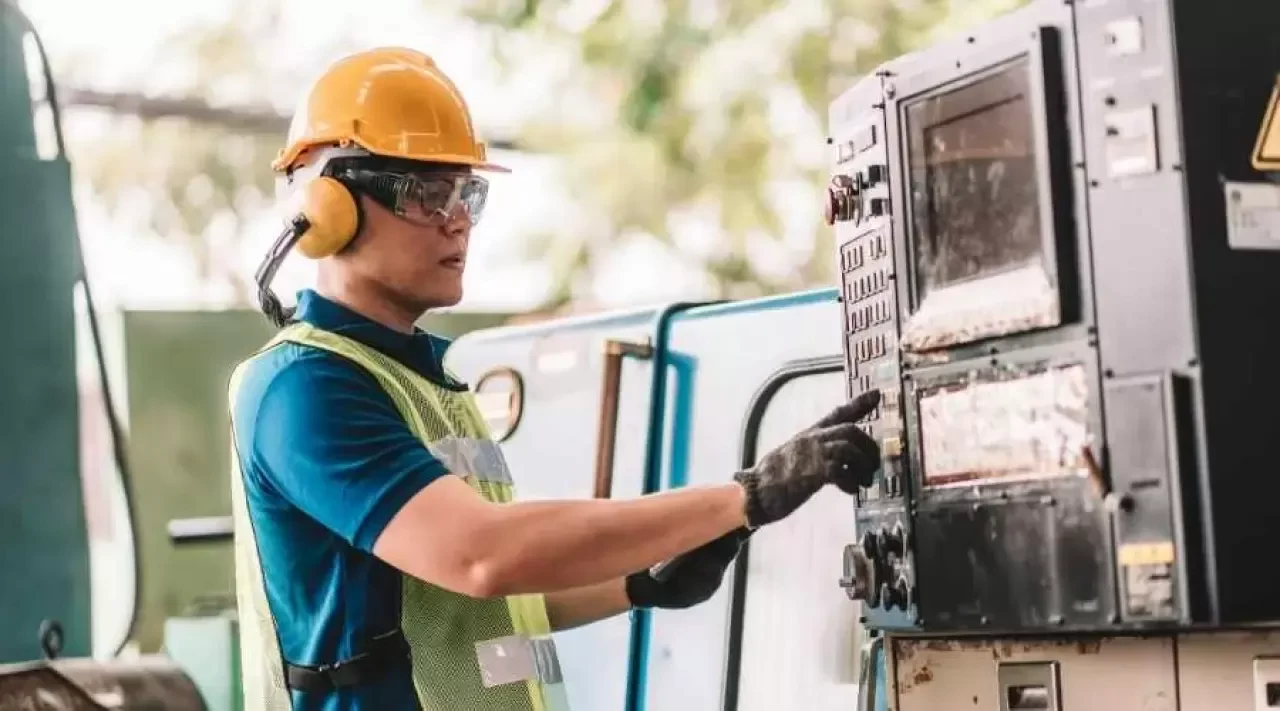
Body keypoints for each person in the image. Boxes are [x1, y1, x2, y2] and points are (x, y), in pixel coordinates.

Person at [228, 46, 882, 711]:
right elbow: (482, 555)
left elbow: (481, 617)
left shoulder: (434, 384)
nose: (457, 219)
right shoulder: (303, 389)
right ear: (328, 205)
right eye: (426, 193)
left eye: (466, 193)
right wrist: (744, 497)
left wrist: (639, 582)